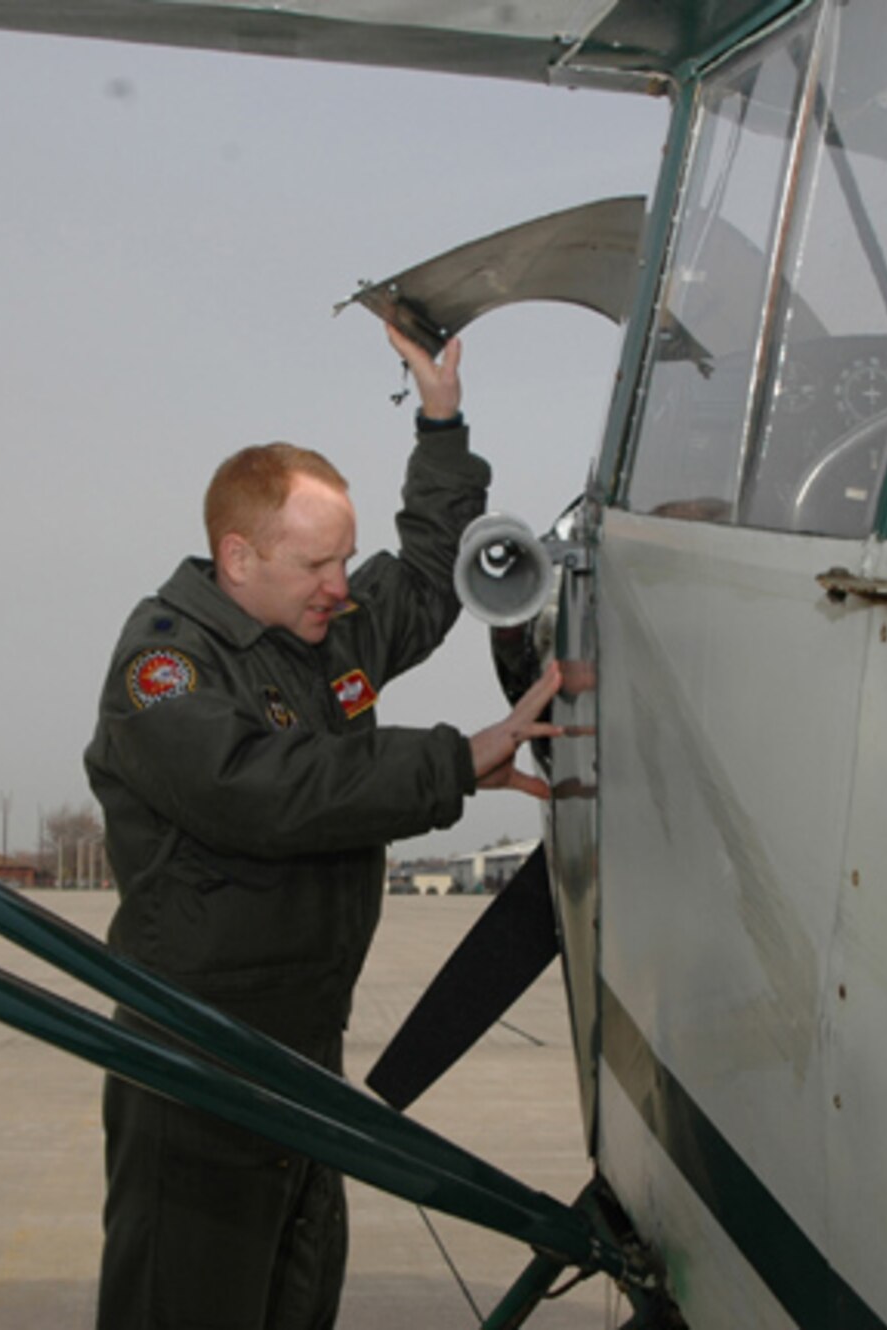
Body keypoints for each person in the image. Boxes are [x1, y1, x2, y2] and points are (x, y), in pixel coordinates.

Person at [83, 326, 563, 1330]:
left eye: (344, 560)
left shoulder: (320, 633)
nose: (341, 586)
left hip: (306, 1045)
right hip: (201, 1059)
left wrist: (439, 416)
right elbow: (261, 790)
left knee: (296, 1303)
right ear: (237, 556)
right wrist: (454, 759)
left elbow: (432, 572)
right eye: (317, 564)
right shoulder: (164, 668)